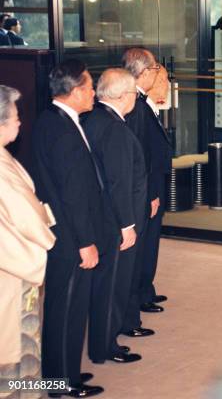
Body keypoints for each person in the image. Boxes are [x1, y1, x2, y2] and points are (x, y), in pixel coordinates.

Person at [31, 59, 112, 397]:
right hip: (70, 237)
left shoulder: (55, 120)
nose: (94, 92)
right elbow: (72, 195)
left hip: (66, 232)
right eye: (91, 87)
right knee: (66, 309)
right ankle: (61, 383)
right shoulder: (61, 131)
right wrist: (85, 243)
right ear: (76, 91)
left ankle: (66, 374)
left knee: (68, 308)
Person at [83, 68, 147, 364]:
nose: (135, 98)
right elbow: (119, 181)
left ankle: (104, 339)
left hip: (99, 217)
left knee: (105, 283)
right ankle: (104, 346)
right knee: (113, 285)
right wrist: (128, 225)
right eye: (134, 93)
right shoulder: (115, 129)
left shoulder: (92, 119)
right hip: (116, 222)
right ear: (122, 96)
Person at [0, 85, 55, 391]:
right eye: (16, 117)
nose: (20, 122)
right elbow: (26, 216)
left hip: (12, 264)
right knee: (14, 350)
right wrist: (45, 232)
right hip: (11, 269)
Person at [123, 48, 171, 338]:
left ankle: (145, 291)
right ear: (144, 73)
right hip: (145, 189)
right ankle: (136, 300)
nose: (160, 77)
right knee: (141, 247)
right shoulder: (136, 106)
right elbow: (141, 157)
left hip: (151, 186)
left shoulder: (146, 104)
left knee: (150, 244)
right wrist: (152, 192)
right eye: (156, 71)